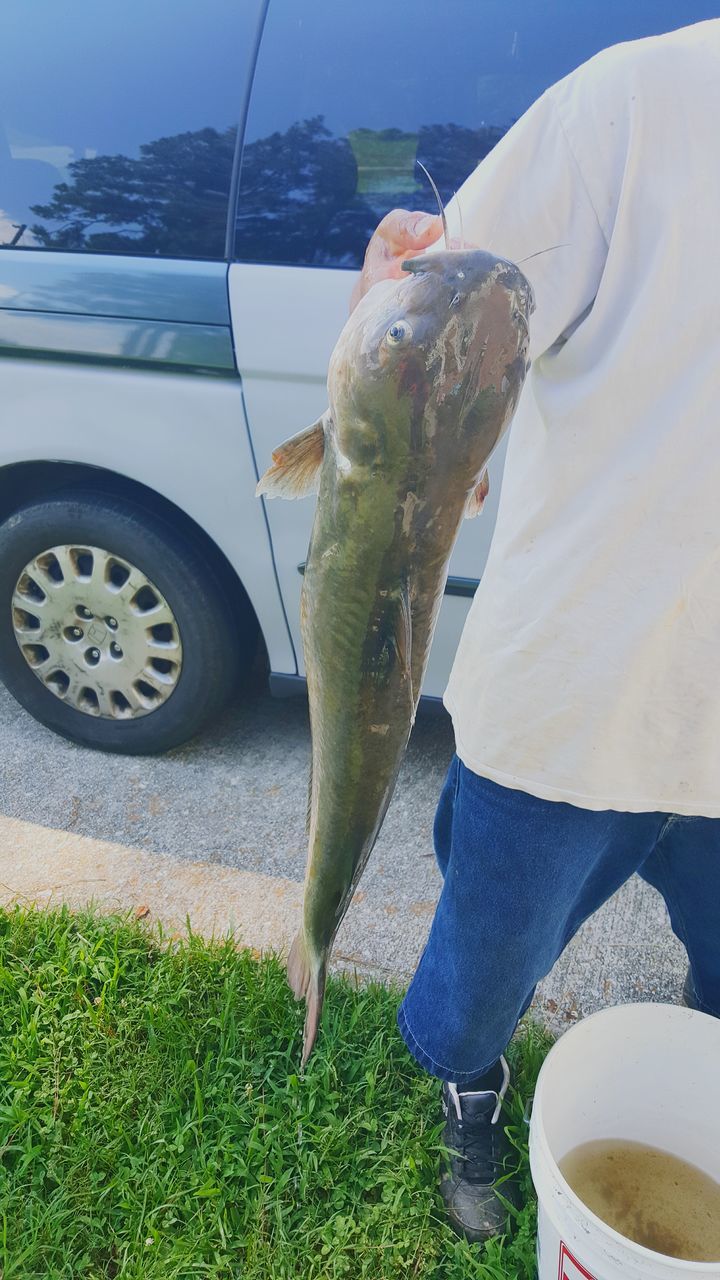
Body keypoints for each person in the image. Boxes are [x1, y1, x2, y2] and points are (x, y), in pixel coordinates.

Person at [351, 18, 720, 1243]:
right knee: (484, 968)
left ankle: (691, 1097)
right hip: (577, 691)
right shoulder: (636, 101)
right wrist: (403, 326)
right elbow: (433, 313)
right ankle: (472, 1095)